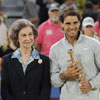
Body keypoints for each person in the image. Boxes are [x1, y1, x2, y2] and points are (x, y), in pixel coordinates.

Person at [49, 7, 100, 100]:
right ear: (61, 24)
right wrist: (64, 75)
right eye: (68, 23)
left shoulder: (95, 44)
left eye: (75, 23)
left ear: (79, 23)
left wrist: (91, 84)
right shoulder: (55, 49)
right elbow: (53, 81)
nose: (72, 27)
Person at [1, 19, 51, 100]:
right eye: (24, 35)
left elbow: (45, 89)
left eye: (30, 34)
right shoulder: (6, 60)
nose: (28, 38)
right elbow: (5, 90)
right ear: (16, 37)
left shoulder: (44, 60)